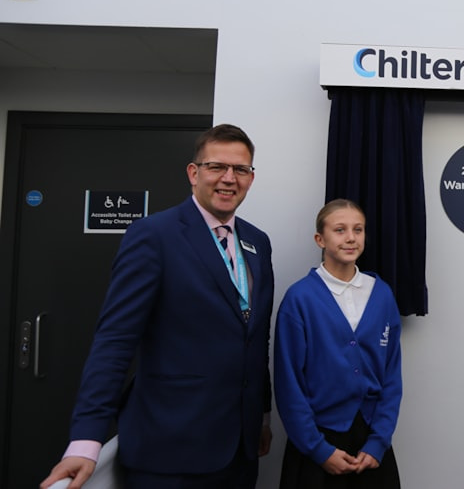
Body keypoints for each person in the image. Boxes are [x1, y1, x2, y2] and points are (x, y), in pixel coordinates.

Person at [40, 124, 275, 489]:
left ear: (251, 177)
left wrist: (261, 416)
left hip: (239, 451)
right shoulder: (153, 236)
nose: (229, 178)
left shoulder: (257, 242)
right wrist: (86, 441)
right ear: (193, 173)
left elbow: (257, 339)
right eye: (217, 167)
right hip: (170, 450)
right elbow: (114, 341)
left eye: (241, 170)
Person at [274, 199, 403, 489]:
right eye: (340, 229)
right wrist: (318, 450)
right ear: (320, 238)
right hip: (317, 440)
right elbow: (289, 383)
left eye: (358, 230)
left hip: (370, 439)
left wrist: (378, 441)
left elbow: (392, 376)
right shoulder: (300, 299)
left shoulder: (381, 295)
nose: (350, 238)